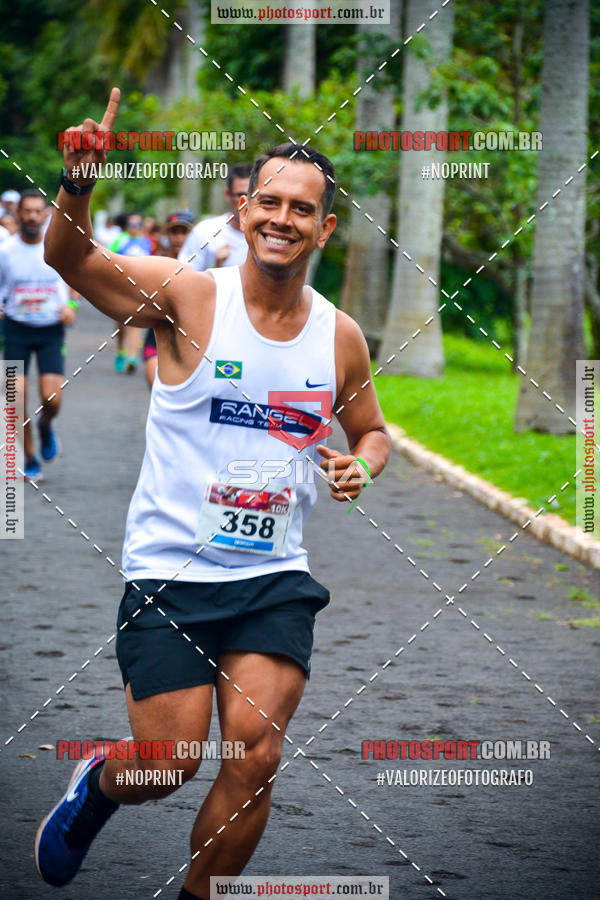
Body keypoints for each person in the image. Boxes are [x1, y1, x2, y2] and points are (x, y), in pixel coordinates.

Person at [37, 88, 391, 899]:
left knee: (256, 757)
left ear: (324, 228)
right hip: (170, 573)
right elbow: (72, 260)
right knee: (167, 765)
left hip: (272, 577)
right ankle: (95, 786)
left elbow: (373, 429)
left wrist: (361, 466)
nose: (282, 218)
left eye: (302, 209)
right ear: (244, 210)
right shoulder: (192, 295)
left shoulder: (338, 335)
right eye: (268, 200)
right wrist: (78, 182)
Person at [0, 190, 78, 481]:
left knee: (52, 398)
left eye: (37, 211)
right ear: (18, 214)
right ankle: (30, 456)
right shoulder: (5, 251)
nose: (32, 217)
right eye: (27, 211)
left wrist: (71, 305)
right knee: (15, 397)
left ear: (46, 215)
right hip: (16, 329)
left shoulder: (55, 247)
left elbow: (75, 280)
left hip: (50, 329)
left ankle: (46, 425)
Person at [143, 209, 195, 387]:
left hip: (193, 339)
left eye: (184, 232)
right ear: (167, 234)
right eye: (174, 232)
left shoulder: (203, 266)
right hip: (158, 335)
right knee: (156, 387)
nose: (179, 238)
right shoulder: (155, 263)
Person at [179, 163, 251, 271]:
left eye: (251, 194)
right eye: (240, 195)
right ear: (228, 194)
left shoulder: (268, 235)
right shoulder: (205, 232)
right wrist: (215, 266)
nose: (245, 201)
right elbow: (184, 276)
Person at [109, 211, 152, 373]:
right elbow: (108, 259)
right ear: (127, 226)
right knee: (122, 324)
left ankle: (132, 357)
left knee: (135, 322)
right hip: (121, 288)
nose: (135, 228)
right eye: (132, 225)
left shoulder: (146, 242)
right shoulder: (119, 241)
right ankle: (121, 350)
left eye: (138, 225)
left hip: (140, 289)